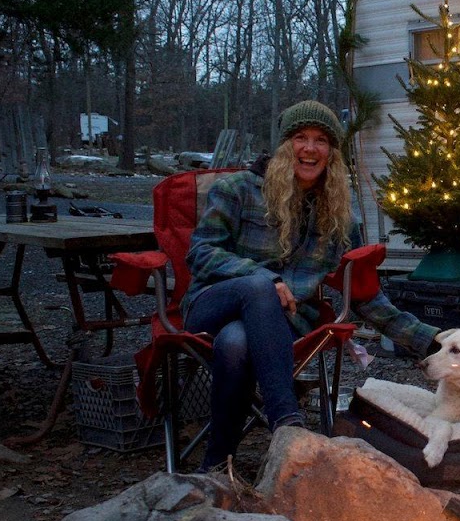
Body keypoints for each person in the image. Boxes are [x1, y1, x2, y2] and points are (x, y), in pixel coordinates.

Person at [183, 100, 439, 470]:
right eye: (300, 137)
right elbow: (200, 252)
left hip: (279, 324)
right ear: (285, 145)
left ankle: (217, 464)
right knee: (257, 287)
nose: (310, 148)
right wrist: (263, 278)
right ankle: (288, 425)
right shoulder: (237, 190)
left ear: (332, 152)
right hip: (212, 307)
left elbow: (363, 293)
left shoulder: (336, 214)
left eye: (321, 140)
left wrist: (431, 340)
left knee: (237, 342)